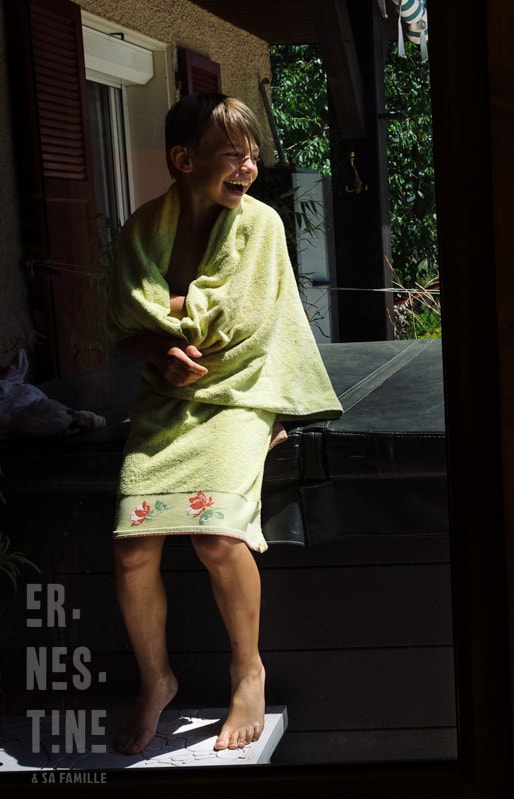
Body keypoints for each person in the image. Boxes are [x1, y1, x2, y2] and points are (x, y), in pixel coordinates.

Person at [106, 93, 342, 755]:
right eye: (231, 154)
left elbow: (238, 327)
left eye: (252, 154)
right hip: (165, 404)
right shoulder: (142, 230)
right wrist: (159, 349)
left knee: (215, 538)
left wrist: (171, 330)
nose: (247, 166)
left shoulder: (260, 224)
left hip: (239, 393)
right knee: (131, 549)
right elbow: (127, 330)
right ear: (183, 160)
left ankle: (249, 668)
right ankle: (157, 680)